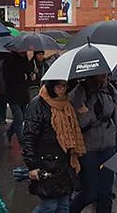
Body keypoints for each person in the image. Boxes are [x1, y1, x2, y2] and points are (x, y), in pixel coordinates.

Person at [22, 80, 86, 213]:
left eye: (64, 86)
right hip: (46, 163)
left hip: (64, 163)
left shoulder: (67, 104)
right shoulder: (38, 104)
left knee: (63, 205)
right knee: (49, 206)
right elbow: (29, 137)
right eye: (58, 86)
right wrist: (32, 165)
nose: (62, 89)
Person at [69, 74, 117, 213]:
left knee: (106, 192)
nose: (104, 76)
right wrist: (89, 115)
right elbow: (78, 122)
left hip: (108, 145)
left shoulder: (110, 90)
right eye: (101, 73)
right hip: (88, 148)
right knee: (89, 192)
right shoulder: (79, 92)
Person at [2, 50, 33, 144]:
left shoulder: (25, 60)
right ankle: (22, 141)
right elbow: (6, 77)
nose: (24, 52)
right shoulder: (9, 60)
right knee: (19, 118)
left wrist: (31, 74)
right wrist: (20, 77)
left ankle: (9, 132)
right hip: (13, 94)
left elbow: (28, 73)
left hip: (23, 93)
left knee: (22, 117)